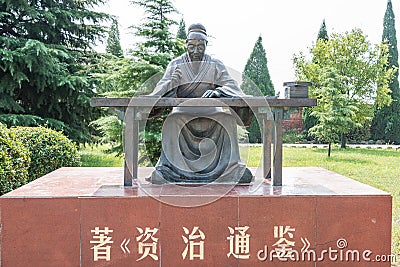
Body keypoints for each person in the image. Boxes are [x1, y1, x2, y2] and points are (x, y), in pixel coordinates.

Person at [147, 23, 253, 184]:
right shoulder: (176, 65)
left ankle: (231, 169)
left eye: (200, 47)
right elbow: (160, 90)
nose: (196, 51)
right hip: (183, 112)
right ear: (186, 44)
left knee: (227, 120)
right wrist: (171, 84)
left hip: (210, 111)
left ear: (206, 46)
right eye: (192, 46)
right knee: (171, 121)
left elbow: (231, 85)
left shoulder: (215, 64)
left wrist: (218, 92)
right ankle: (172, 170)